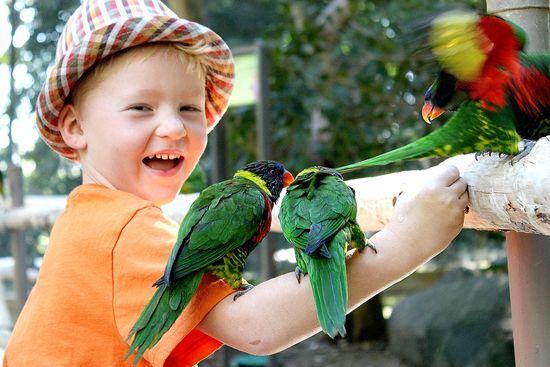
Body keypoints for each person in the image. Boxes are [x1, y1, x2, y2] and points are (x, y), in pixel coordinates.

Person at [3, 0, 469, 366]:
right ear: (74, 127)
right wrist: (406, 243)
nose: (174, 128)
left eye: (189, 108)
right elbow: (256, 327)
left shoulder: (86, 217)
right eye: (140, 108)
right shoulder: (124, 230)